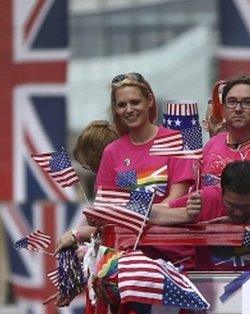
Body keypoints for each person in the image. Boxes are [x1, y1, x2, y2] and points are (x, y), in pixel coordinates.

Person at [56, 72, 196, 250]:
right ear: (115, 108)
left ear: (150, 101)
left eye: (135, 102)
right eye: (122, 105)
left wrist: (128, 212)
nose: (129, 110)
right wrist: (76, 234)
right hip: (125, 254)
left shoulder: (176, 142)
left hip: (172, 253)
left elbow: (177, 201)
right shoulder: (112, 152)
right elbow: (105, 214)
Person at [150, 160, 250, 226]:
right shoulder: (207, 197)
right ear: (221, 192)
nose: (239, 213)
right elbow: (150, 213)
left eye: (246, 206)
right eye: (231, 205)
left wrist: (234, 221)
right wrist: (186, 215)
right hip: (209, 282)